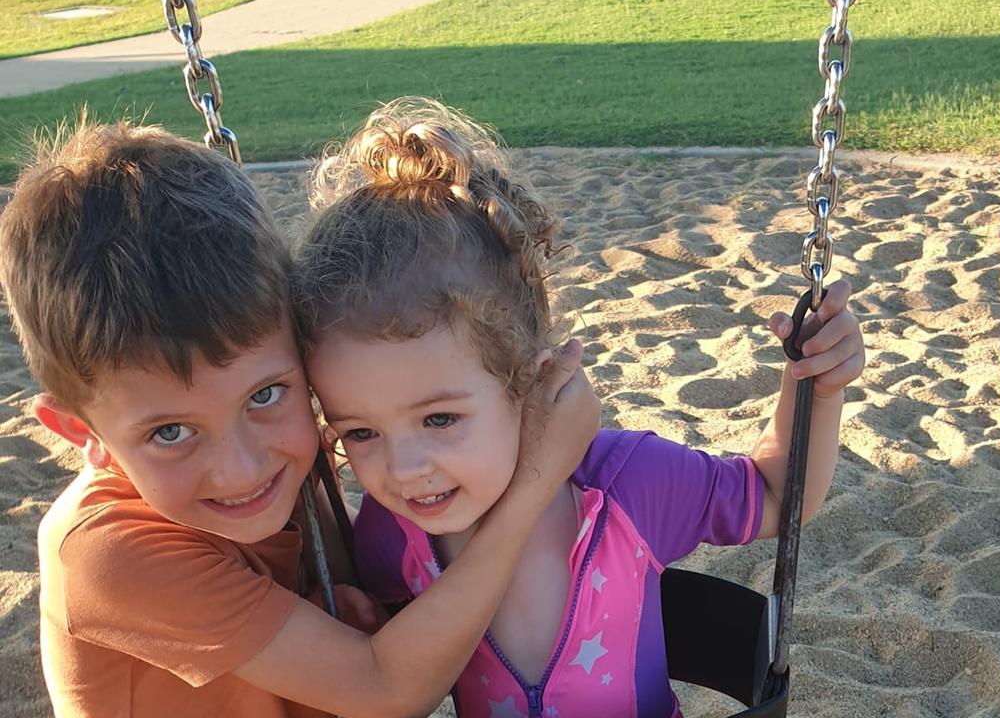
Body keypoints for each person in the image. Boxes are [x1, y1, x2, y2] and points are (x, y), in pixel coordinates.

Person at [0, 119, 600, 718]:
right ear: (82, 433)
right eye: (170, 433)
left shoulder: (289, 459)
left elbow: (373, 619)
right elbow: (386, 690)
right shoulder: (107, 551)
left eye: (265, 395)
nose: (241, 467)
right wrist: (536, 481)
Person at [293, 97, 866, 717]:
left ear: (530, 379)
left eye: (439, 419)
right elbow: (385, 656)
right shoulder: (391, 532)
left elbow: (778, 496)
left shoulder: (626, 486)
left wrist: (818, 388)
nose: (402, 468)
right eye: (360, 432)